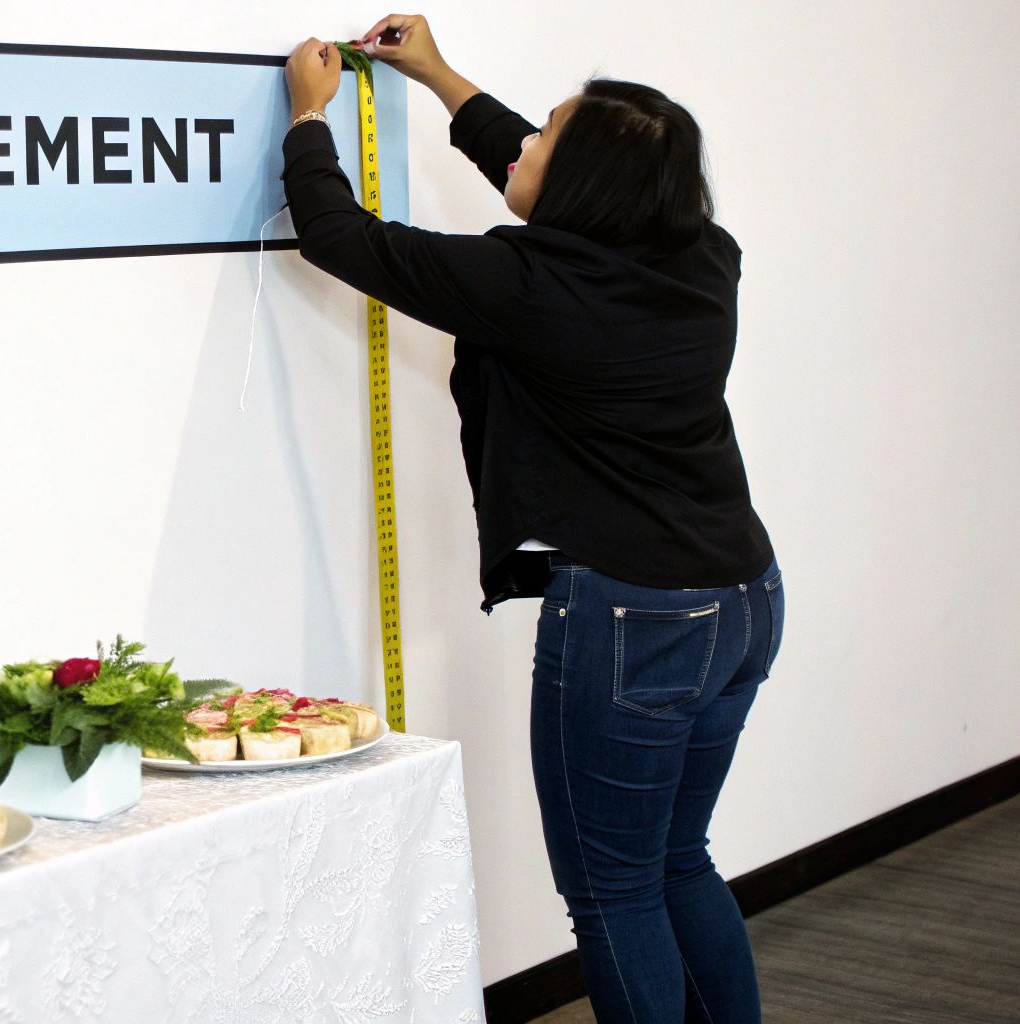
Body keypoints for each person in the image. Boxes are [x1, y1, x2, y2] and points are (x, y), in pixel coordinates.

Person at [282, 16, 781, 1023]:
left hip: (633, 621)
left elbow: (339, 236)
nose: (521, 144)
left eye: (544, 136)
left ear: (585, 186)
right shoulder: (701, 260)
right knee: (678, 861)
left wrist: (306, 117)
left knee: (612, 891)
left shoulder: (529, 288)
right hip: (742, 597)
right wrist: (436, 76)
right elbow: (529, 171)